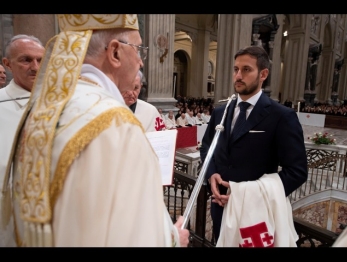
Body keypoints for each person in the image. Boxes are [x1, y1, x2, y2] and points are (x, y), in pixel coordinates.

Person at [1, 14, 189, 247]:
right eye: (139, 49)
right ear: (115, 53)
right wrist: (172, 238)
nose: (141, 62)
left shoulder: (41, 108)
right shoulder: (117, 125)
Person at [200, 45, 308, 244]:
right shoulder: (220, 112)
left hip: (256, 212)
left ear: (263, 74)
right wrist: (211, 174)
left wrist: (248, 195)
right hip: (220, 206)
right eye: (235, 69)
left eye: (246, 69)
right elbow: (207, 147)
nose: (238, 75)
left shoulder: (281, 117)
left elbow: (297, 171)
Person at [0, 34, 45, 198]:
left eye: (40, 60)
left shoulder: (59, 103)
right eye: (26, 60)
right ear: (7, 64)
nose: (35, 67)